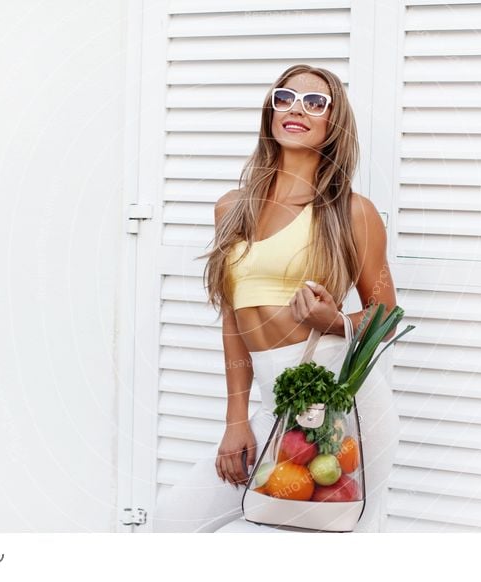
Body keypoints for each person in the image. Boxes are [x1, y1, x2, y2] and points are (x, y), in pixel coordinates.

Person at [152, 64, 401, 533]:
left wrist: (334, 322)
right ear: (270, 111)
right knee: (173, 522)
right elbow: (234, 321)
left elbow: (387, 319)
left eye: (315, 102)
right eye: (285, 97)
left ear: (334, 124)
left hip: (343, 406)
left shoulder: (353, 213)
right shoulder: (232, 207)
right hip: (275, 403)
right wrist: (236, 420)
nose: (296, 109)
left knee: (334, 539)